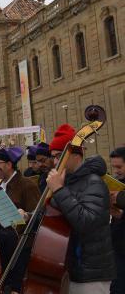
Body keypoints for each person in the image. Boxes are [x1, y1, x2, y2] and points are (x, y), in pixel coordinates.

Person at [45, 124, 116, 293]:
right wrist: (27, 216)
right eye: (53, 157)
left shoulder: (94, 183)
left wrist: (59, 190)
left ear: (75, 154)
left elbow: (87, 222)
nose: (55, 162)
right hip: (69, 268)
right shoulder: (66, 181)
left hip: (91, 272)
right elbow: (55, 216)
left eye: (58, 156)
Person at [0, 146, 40, 294]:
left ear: (9, 164)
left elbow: (39, 215)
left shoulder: (27, 185)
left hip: (20, 249)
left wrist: (26, 214)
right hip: (0, 246)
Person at [109, 147, 125, 294]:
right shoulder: (118, 182)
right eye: (114, 167)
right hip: (118, 246)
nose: (116, 171)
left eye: (119, 167)